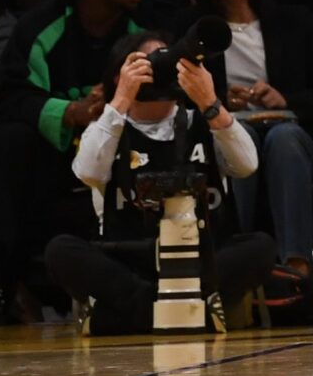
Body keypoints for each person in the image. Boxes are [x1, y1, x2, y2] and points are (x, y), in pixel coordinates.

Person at [43, 33, 273, 333]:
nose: (163, 72)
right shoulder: (110, 128)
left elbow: (247, 164)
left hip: (200, 260)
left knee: (261, 246)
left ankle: (128, 317)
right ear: (123, 74)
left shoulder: (202, 121)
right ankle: (185, 311)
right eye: (153, 64)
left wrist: (210, 102)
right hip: (132, 262)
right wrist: (121, 98)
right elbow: (86, 171)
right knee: (60, 250)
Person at [0, 0, 152, 300]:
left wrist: (118, 104)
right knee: (9, 140)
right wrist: (72, 113)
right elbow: (9, 96)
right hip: (54, 158)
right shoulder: (40, 27)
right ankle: (6, 283)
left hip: (127, 154)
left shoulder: (148, 28)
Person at [189, 0, 313, 283]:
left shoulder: (296, 22)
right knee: (238, 135)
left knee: (283, 137)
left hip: (293, 131)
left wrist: (287, 100)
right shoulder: (196, 33)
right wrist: (216, 102)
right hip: (230, 129)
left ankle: (298, 266)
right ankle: (240, 264)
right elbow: (178, 92)